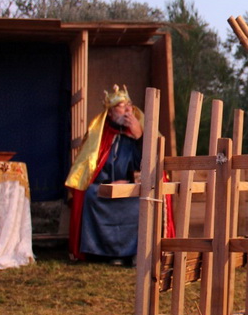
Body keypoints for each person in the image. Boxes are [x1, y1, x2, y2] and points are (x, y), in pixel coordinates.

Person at [65, 85, 170, 265]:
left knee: (143, 198)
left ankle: (135, 252)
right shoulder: (99, 135)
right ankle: (99, 252)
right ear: (110, 112)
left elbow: (151, 166)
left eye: (129, 105)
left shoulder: (139, 133)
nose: (128, 110)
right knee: (90, 193)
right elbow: (89, 170)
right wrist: (108, 183)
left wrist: (140, 137)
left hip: (132, 188)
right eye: (121, 106)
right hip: (105, 186)